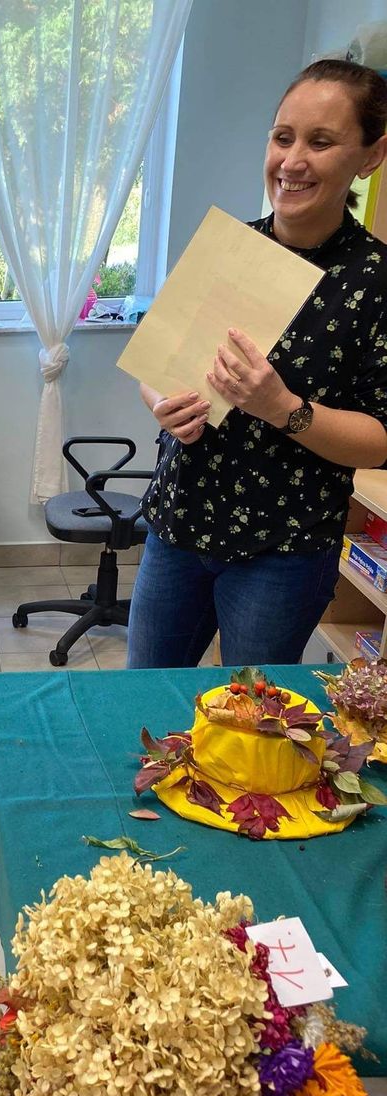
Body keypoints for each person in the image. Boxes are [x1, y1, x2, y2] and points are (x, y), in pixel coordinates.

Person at [127, 59, 387, 669]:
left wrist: (283, 409)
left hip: (284, 551)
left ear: (371, 156)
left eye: (320, 142)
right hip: (178, 526)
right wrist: (163, 403)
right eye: (282, 137)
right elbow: (157, 367)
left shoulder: (376, 283)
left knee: (252, 713)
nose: (292, 161)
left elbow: (381, 439)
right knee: (142, 696)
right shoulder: (227, 250)